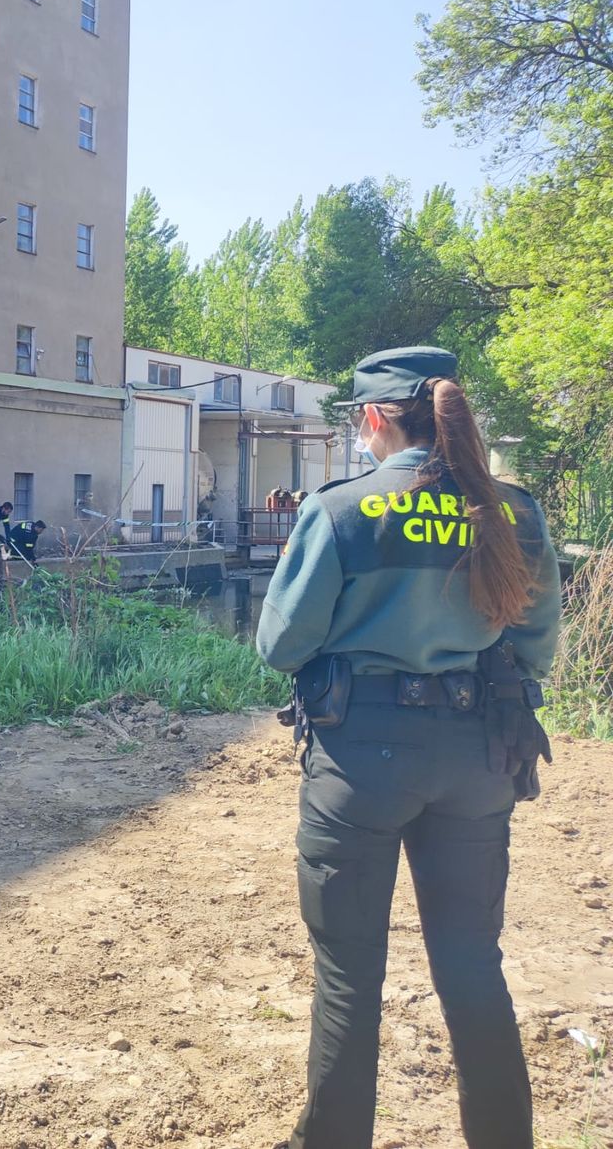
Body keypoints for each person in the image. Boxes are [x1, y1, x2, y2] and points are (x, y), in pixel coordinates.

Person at [256, 347, 561, 1149]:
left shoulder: (340, 511)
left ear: (372, 419)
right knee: (471, 968)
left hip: (362, 760)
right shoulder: (514, 513)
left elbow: (281, 643)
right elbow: (538, 645)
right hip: (479, 760)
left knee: (350, 979)